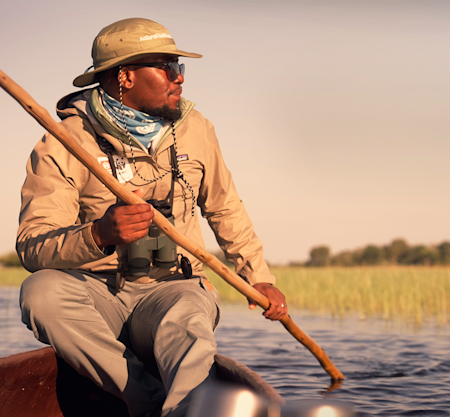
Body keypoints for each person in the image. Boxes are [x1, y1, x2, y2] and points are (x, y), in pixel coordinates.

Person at [17, 18, 287, 417]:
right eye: (168, 68)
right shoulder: (64, 142)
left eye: (180, 68)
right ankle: (148, 403)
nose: (179, 79)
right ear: (124, 76)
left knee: (188, 318)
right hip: (97, 295)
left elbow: (224, 206)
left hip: (171, 290)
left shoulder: (196, 128)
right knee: (39, 293)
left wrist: (258, 277)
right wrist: (99, 233)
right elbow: (33, 246)